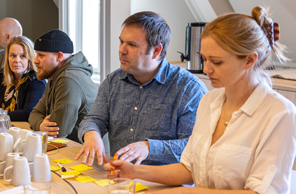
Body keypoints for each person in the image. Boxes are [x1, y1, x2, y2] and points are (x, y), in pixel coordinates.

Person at [111, 6, 296, 194]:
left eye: (216, 62)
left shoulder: (279, 113)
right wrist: (136, 171)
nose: (207, 69)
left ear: (249, 60)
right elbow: (189, 168)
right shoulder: (210, 101)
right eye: (204, 59)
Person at [76, 12, 207, 166]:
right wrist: (91, 134)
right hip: (120, 178)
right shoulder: (113, 81)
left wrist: (149, 147)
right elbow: (94, 119)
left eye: (132, 45)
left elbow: (194, 146)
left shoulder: (189, 88)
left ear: (157, 51)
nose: (122, 50)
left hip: (166, 184)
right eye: (121, 42)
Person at [28, 29, 96, 143]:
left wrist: (42, 126)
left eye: (41, 55)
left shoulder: (68, 79)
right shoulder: (55, 76)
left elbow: (58, 132)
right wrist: (40, 125)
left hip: (91, 156)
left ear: (59, 56)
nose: (35, 61)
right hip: (71, 149)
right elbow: (34, 113)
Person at [0, 36, 45, 121]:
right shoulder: (2, 75)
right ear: (7, 58)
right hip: (3, 127)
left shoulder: (36, 80)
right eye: (13, 55)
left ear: (30, 58)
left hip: (24, 130)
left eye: (23, 56)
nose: (17, 60)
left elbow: (28, 114)